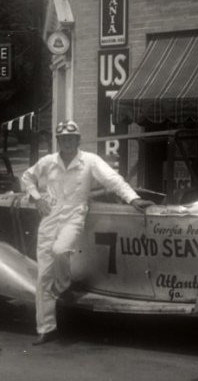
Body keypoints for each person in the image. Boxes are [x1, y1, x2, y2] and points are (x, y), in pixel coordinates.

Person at [21, 120, 153, 345]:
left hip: (74, 215)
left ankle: (63, 285)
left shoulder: (90, 161)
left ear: (78, 140)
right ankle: (46, 328)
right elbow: (26, 177)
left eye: (72, 138)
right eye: (64, 139)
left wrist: (133, 198)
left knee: (61, 250)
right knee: (43, 275)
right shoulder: (48, 162)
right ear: (59, 141)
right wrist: (36, 197)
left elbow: (113, 180)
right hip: (49, 216)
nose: (68, 142)